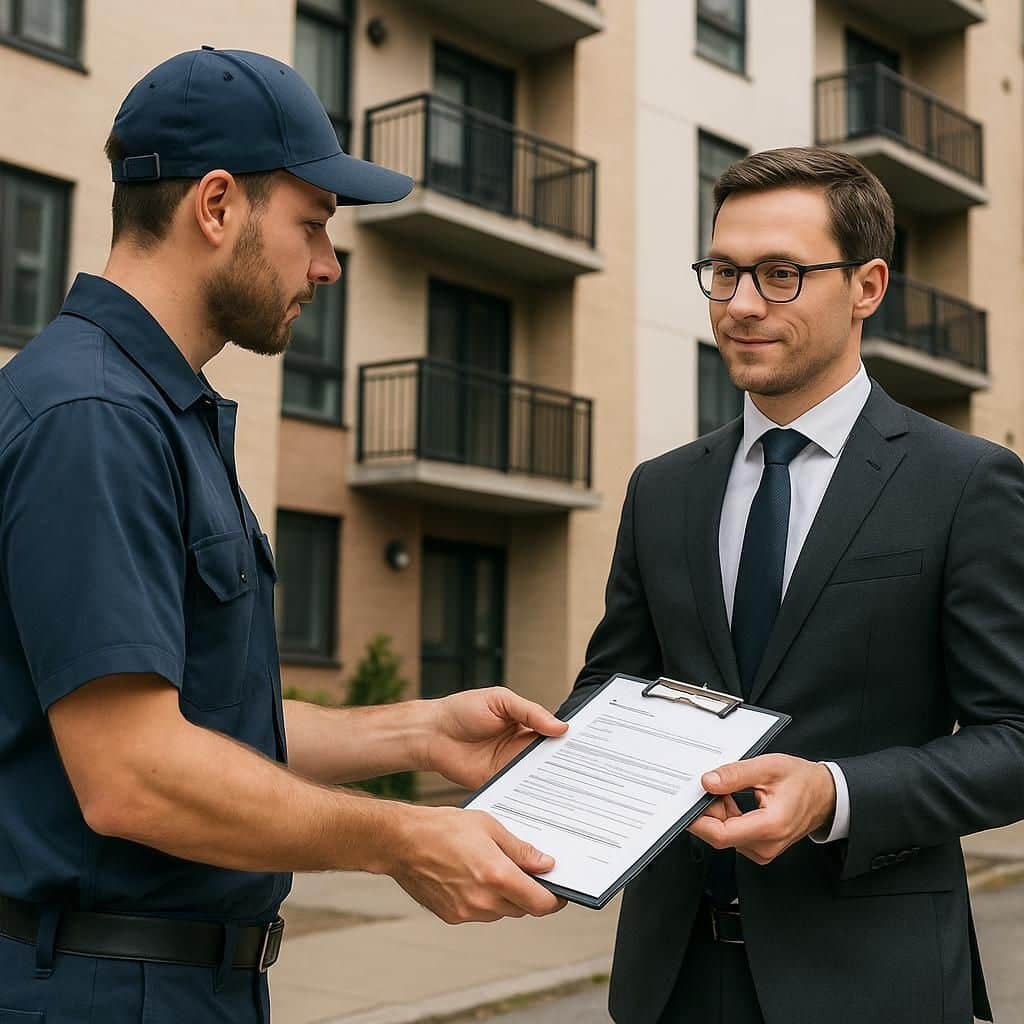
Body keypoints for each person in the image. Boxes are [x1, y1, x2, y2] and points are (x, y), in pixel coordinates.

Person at [0, 47, 566, 1024]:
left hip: (168, 983)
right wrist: (401, 838)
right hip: (105, 988)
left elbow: (198, 726)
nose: (328, 265)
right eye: (312, 225)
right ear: (216, 206)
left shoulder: (149, 411)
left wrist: (419, 732)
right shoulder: (94, 416)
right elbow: (132, 772)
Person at [560, 146, 1024, 1023]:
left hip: (871, 982)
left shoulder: (967, 483)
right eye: (724, 271)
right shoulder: (661, 488)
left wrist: (835, 794)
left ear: (867, 286)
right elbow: (612, 685)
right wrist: (559, 766)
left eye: (780, 274)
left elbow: (1015, 737)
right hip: (672, 979)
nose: (739, 305)